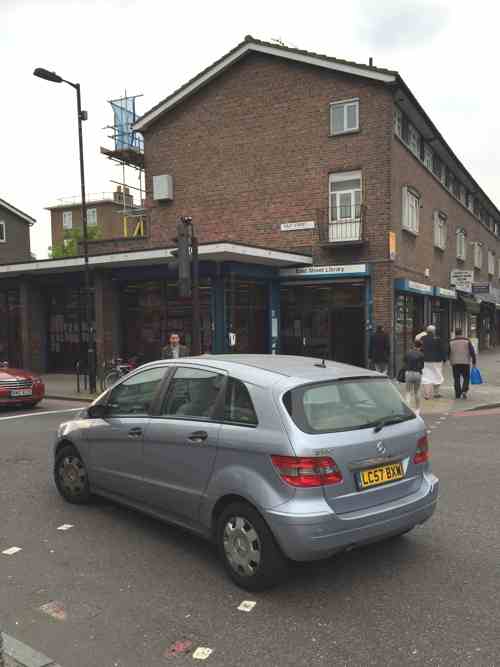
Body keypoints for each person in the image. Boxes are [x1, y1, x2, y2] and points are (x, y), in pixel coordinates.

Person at [449, 328, 476, 399]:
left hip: (455, 363)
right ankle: (464, 390)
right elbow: (472, 352)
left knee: (456, 378)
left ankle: (457, 394)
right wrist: (474, 362)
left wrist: (448, 360)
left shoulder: (451, 342)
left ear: (455, 333)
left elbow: (448, 352)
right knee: (466, 377)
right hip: (465, 362)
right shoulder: (467, 341)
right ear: (461, 333)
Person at [421, 325, 447, 399]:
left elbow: (420, 349)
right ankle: (436, 393)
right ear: (434, 331)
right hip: (437, 361)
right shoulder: (438, 339)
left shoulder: (423, 339)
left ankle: (427, 395)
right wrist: (444, 359)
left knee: (426, 377)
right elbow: (442, 350)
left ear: (427, 331)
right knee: (437, 376)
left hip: (425, 360)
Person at [404, 339, 424, 415]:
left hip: (408, 373)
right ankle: (418, 409)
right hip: (417, 373)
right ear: (420, 346)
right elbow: (422, 366)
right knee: (417, 391)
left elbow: (404, 361)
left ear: (413, 345)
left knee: (408, 392)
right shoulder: (421, 354)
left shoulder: (408, 353)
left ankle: (408, 409)